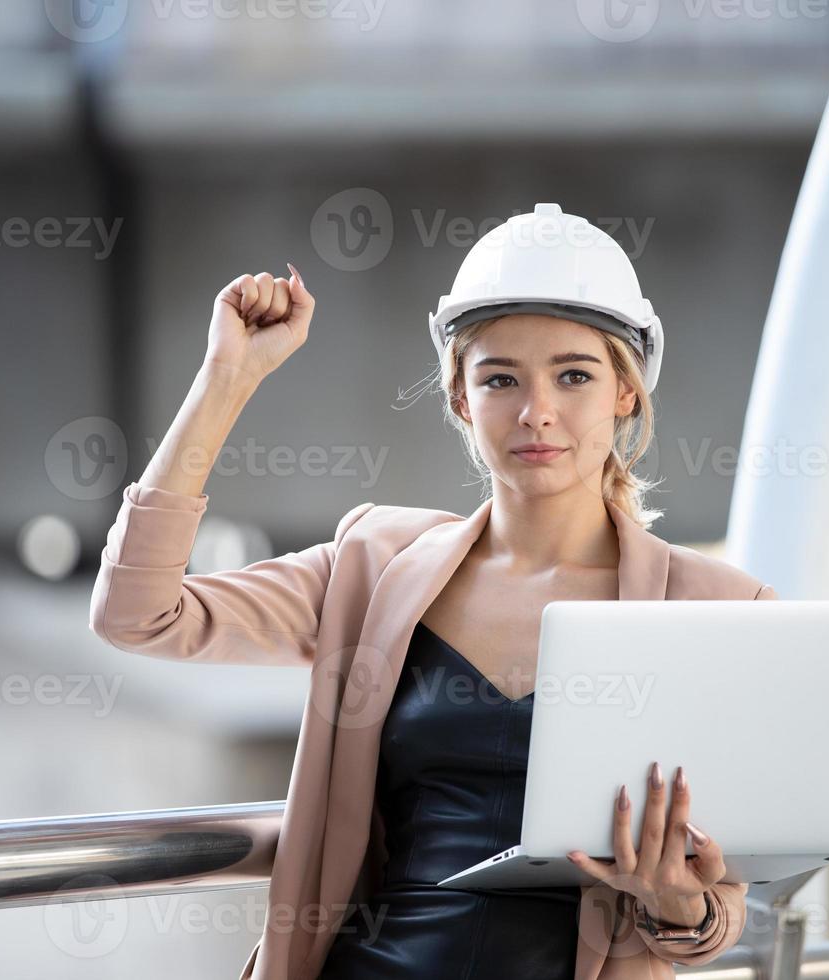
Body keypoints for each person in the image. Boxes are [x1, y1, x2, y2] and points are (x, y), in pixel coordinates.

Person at [90, 204, 778, 980]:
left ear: (625, 392)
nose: (536, 410)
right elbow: (137, 614)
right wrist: (226, 379)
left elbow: (715, 909)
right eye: (499, 379)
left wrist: (678, 902)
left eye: (574, 375)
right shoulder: (374, 565)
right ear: (460, 399)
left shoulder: (716, 608)